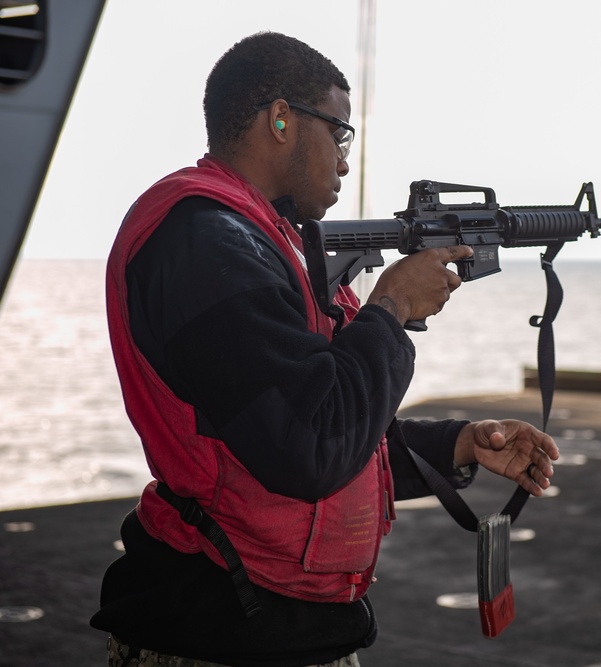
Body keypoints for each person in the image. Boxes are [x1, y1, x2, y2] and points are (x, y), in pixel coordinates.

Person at [91, 31, 558, 666]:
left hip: (267, 628)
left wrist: (461, 444)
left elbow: (313, 421)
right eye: (340, 134)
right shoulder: (208, 243)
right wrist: (390, 308)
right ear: (281, 119)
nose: (344, 160)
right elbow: (310, 446)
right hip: (221, 636)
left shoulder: (256, 239)